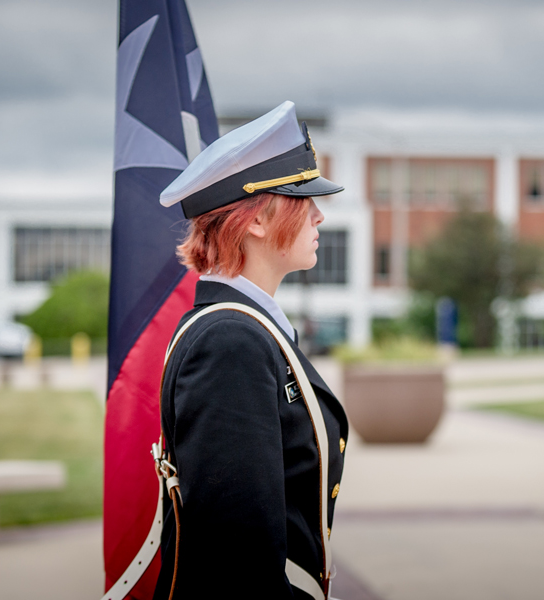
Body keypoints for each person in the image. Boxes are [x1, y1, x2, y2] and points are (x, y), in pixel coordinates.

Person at [153, 101, 348, 600]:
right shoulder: (230, 343)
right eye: (304, 200)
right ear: (258, 219)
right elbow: (239, 569)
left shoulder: (243, 329)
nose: (320, 215)